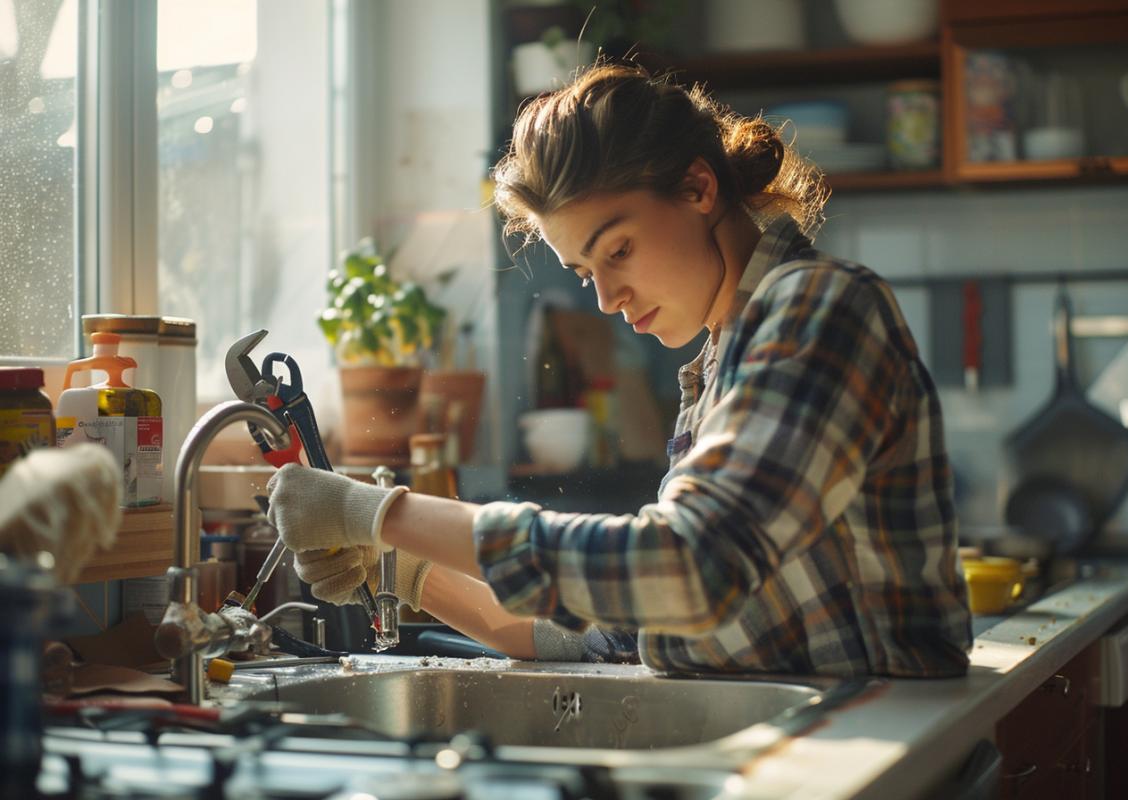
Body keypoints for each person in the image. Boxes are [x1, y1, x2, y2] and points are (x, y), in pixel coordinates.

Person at [268, 63, 973, 678]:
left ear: (699, 188)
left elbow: (689, 568)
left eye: (620, 250)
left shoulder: (822, 309)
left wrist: (383, 512)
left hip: (884, 748)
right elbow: (623, 631)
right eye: (583, 271)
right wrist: (411, 570)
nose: (606, 299)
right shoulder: (725, 358)